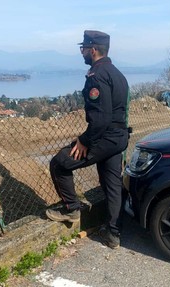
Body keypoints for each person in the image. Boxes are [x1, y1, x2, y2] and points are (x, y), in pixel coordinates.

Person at [46, 30, 130, 249]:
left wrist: (84, 141)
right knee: (112, 184)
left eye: (83, 48)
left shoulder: (97, 76)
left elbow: (101, 118)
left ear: (93, 50)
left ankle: (71, 209)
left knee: (59, 163)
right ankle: (114, 233)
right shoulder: (117, 73)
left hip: (104, 136)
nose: (82, 52)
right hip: (119, 137)